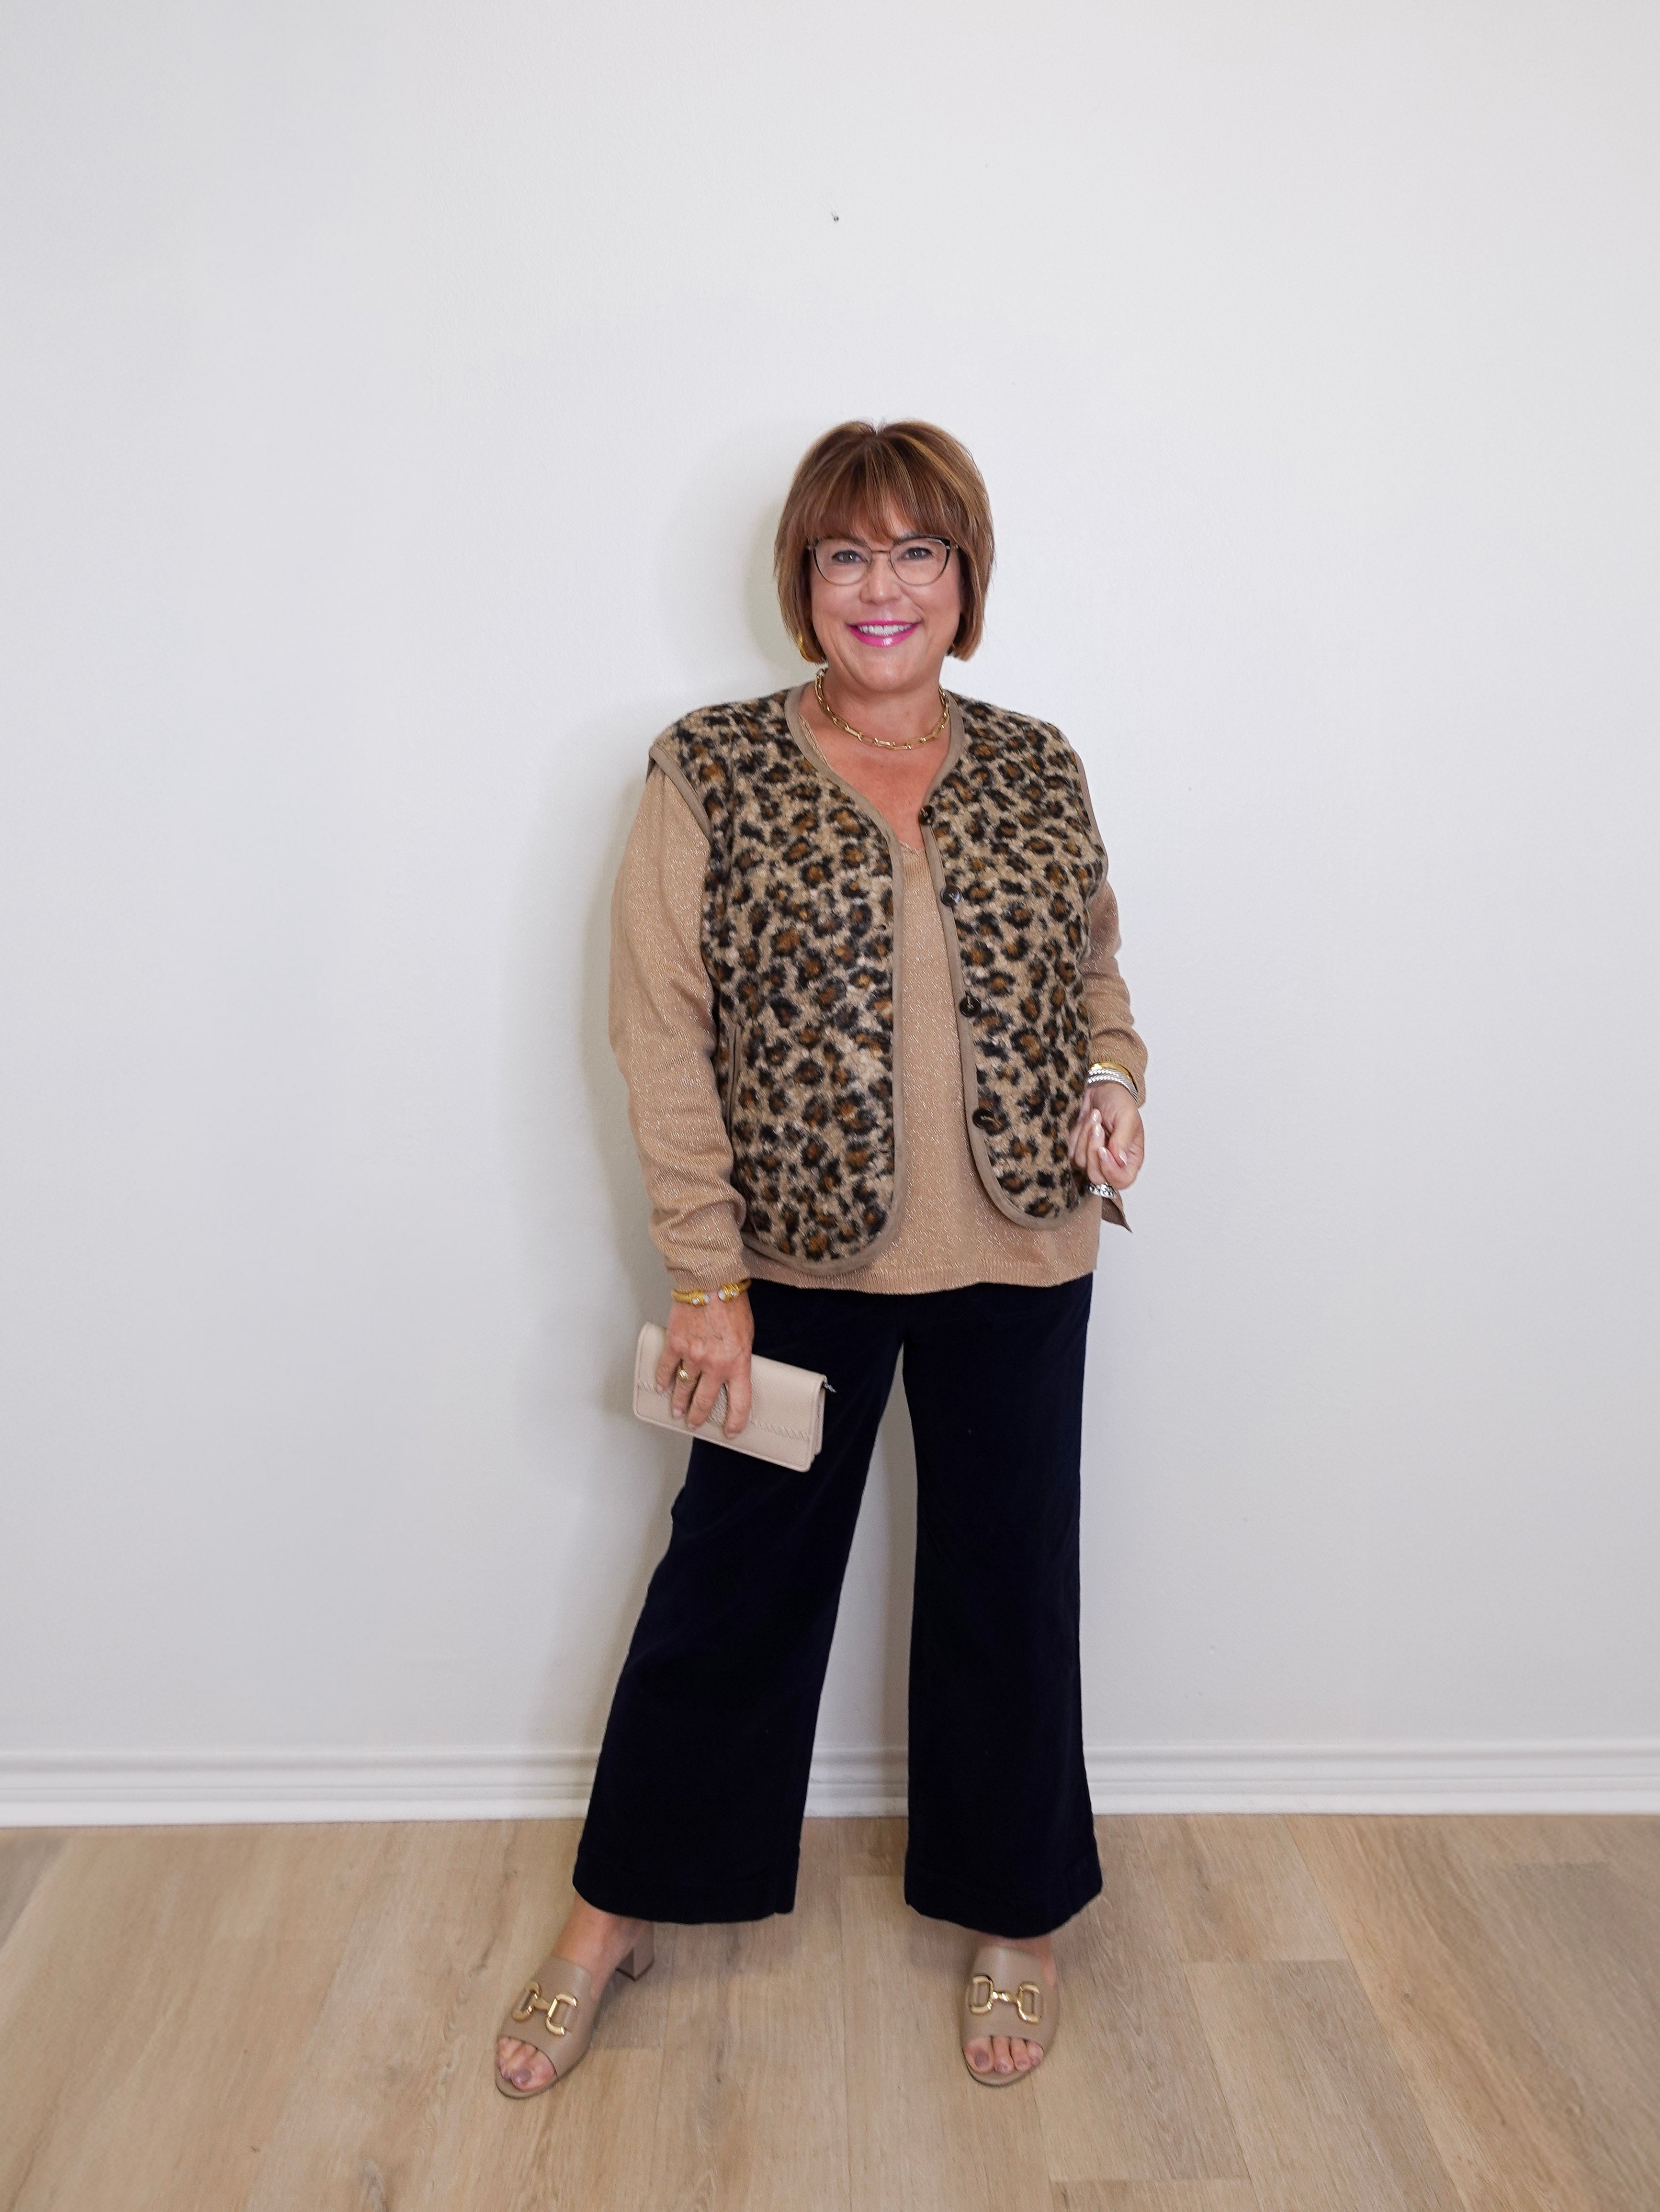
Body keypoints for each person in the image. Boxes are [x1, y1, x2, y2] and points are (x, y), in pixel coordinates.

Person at [496, 419, 1147, 2099]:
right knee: (730, 1589)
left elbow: (1093, 972)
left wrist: (1111, 1083)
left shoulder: (1037, 763)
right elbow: (658, 1029)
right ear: (804, 578)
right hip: (788, 1266)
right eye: (847, 552)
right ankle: (613, 1912)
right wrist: (703, 1277)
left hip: (1022, 1244)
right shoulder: (709, 767)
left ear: (964, 581)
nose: (882, 586)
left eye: (917, 551)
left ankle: (1017, 1915)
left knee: (1009, 1586)